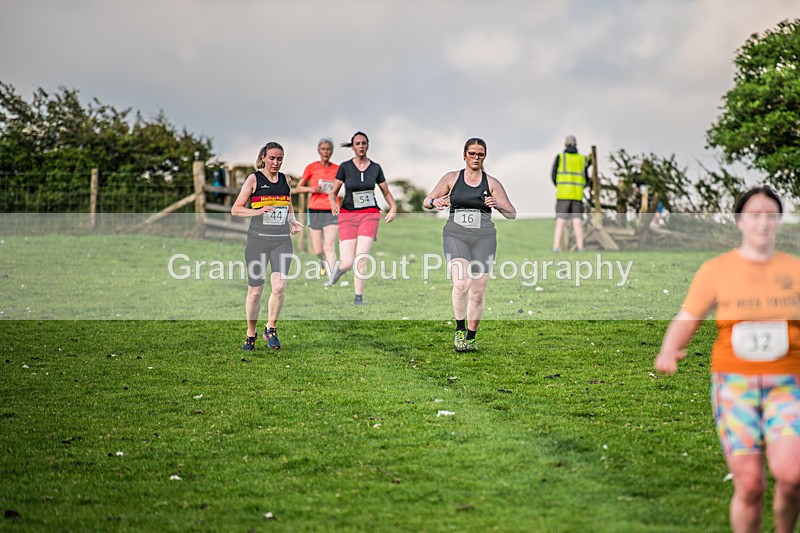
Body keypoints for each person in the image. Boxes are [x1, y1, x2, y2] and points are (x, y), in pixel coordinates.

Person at [654, 185, 800, 533]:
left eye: (770, 216)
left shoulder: (795, 269)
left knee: (792, 475)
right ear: (740, 221)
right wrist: (669, 348)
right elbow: (688, 317)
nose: (762, 223)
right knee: (749, 484)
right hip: (735, 386)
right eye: (755, 216)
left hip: (789, 384)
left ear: (779, 221)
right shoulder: (716, 270)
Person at [423, 138, 516, 352]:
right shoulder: (451, 178)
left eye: (480, 154)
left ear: (485, 156)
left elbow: (512, 213)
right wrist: (434, 202)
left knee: (477, 292)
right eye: (472, 153)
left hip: (484, 239)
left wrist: (498, 204)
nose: (476, 157)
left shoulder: (491, 183)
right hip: (456, 236)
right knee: (461, 283)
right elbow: (426, 201)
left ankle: (471, 337)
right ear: (464, 155)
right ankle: (459, 330)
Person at [231, 142, 303, 350]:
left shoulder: (285, 179)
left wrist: (292, 220)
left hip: (281, 240)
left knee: (279, 286)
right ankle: (250, 333)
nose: (276, 162)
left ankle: (270, 328)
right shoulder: (254, 179)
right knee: (255, 292)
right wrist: (258, 211)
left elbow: (287, 203)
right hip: (258, 241)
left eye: (280, 159)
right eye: (272, 158)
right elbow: (236, 209)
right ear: (263, 157)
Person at [325, 131, 397, 305]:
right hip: (348, 215)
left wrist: (393, 207)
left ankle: (358, 298)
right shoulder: (345, 167)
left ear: (368, 145)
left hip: (369, 215)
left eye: (364, 143)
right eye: (357, 143)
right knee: (347, 262)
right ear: (353, 147)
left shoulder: (375, 168)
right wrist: (333, 203)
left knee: (361, 258)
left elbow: (386, 192)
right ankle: (338, 271)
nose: (361, 146)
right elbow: (332, 193)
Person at [296, 138, 339, 277]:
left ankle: (332, 278)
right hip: (315, 209)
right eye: (323, 149)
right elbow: (299, 188)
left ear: (332, 151)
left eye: (328, 149)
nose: (326, 152)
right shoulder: (311, 167)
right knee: (319, 250)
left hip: (332, 209)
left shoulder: (338, 169)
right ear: (319, 151)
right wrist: (311, 189)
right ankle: (322, 261)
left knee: (329, 246)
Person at [551, 134, 591, 252]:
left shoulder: (560, 157)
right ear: (576, 144)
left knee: (560, 222)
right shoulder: (582, 159)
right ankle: (580, 248)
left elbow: (553, 175)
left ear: (565, 144)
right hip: (577, 195)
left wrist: (559, 186)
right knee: (577, 222)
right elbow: (586, 178)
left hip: (563, 195)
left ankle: (556, 248)